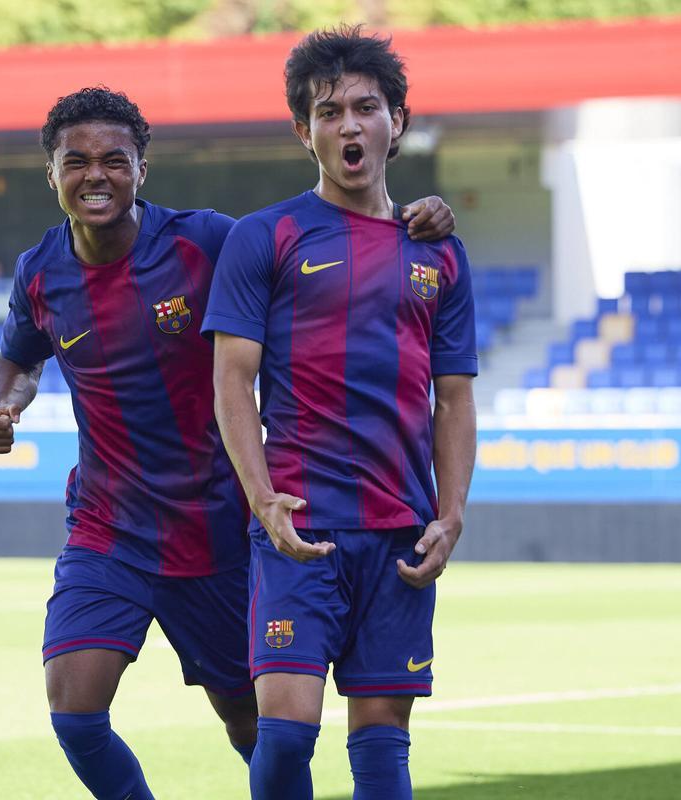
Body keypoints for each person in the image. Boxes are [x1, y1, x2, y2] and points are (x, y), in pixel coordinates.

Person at [0, 86, 456, 799]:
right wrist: (2, 406)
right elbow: (20, 357)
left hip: (219, 528)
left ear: (144, 169)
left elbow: (309, 237)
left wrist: (409, 219)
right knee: (75, 711)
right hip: (109, 528)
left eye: (115, 159)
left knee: (252, 727)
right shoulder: (39, 271)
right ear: (51, 174)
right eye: (75, 162)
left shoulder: (206, 240)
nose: (95, 175)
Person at [203, 27, 479, 800]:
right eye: (329, 112)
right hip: (299, 526)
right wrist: (261, 499)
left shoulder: (440, 253)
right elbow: (232, 382)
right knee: (285, 741)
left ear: (399, 121)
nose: (349, 125)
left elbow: (454, 397)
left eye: (366, 108)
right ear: (304, 130)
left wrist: (450, 514)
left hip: (400, 532)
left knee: (384, 756)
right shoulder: (267, 236)